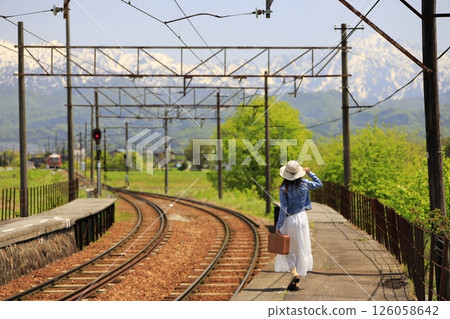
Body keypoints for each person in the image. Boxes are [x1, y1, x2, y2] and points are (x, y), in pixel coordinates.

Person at [275, 160, 322, 291]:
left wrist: (279, 225)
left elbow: (283, 209)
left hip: (289, 219)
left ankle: (294, 271)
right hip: (302, 218)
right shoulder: (305, 184)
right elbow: (319, 184)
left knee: (288, 247)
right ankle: (297, 278)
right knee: (301, 246)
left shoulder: (284, 189)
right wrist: (310, 173)